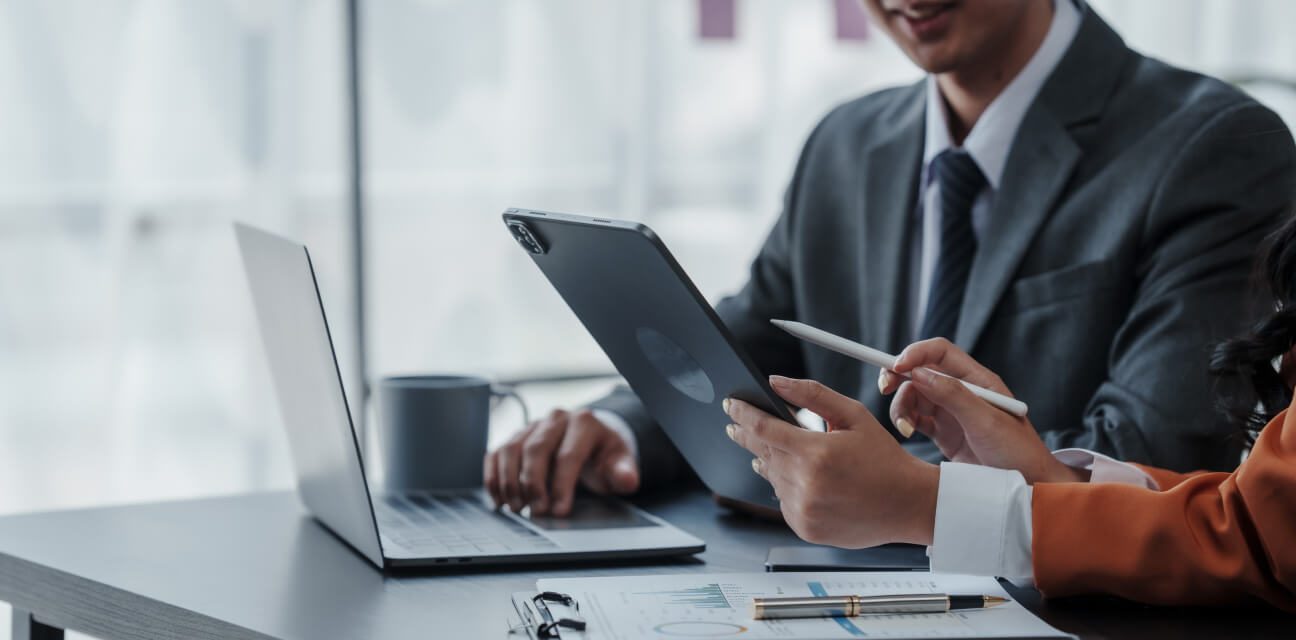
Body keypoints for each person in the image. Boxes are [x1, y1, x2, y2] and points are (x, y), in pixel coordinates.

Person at [485, 0, 1296, 517]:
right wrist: (620, 425)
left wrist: (885, 489)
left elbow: (1154, 458)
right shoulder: (846, 144)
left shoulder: (1216, 148)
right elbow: (751, 338)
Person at [724, 214, 1296, 609]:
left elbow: (1261, 539)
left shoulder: (1205, 140)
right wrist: (1051, 481)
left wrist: (928, 502)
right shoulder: (844, 136)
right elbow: (1255, 511)